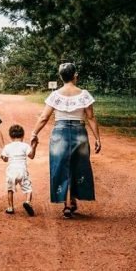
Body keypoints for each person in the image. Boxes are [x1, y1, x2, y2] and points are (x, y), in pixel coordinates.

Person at [30, 62, 102, 219]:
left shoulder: (55, 95)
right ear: (75, 75)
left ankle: (67, 204)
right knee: (78, 166)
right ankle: (73, 199)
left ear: (61, 77)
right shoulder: (84, 94)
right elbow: (90, 117)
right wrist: (97, 138)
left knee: (61, 166)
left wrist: (34, 133)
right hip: (79, 133)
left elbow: (44, 117)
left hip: (60, 133)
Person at [1, 124, 37, 216]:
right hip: (22, 171)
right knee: (28, 189)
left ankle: (10, 207)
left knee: (10, 189)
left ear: (10, 136)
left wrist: (3, 156)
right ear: (23, 135)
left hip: (11, 171)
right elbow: (31, 156)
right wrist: (34, 146)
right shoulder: (25, 146)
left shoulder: (7, 147)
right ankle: (28, 202)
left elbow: (5, 159)